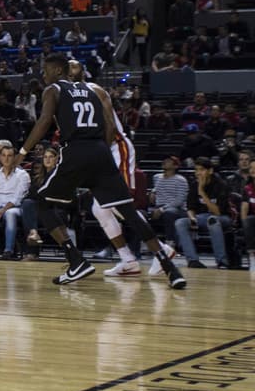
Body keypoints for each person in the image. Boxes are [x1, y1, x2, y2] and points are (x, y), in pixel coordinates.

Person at [21, 54, 185, 289]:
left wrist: (23, 152)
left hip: (100, 149)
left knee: (45, 202)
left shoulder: (72, 89)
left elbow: (50, 121)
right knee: (112, 210)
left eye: (46, 71)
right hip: (99, 152)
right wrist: (98, 151)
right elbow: (99, 125)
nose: (43, 75)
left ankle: (80, 260)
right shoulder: (83, 92)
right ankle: (148, 263)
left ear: (62, 71)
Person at [64, 61, 155, 277]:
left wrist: (98, 154)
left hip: (115, 148)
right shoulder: (70, 99)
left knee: (121, 205)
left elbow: (111, 127)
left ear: (82, 74)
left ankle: (161, 250)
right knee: (99, 209)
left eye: (73, 69)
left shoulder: (94, 90)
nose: (69, 73)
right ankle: (128, 260)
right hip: (103, 152)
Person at [174, 157, 233, 269]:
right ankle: (193, 260)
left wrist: (201, 192)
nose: (198, 173)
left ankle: (222, 261)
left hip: (223, 218)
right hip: (202, 217)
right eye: (196, 170)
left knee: (212, 220)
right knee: (180, 223)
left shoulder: (221, 184)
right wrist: (192, 218)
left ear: (210, 171)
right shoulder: (194, 184)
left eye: (201, 170)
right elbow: (190, 207)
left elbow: (217, 212)